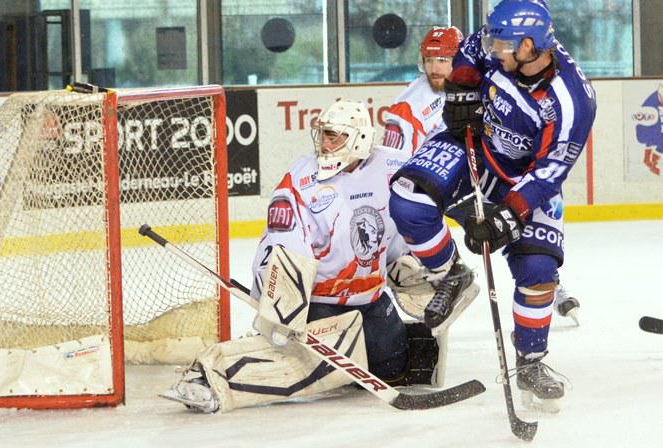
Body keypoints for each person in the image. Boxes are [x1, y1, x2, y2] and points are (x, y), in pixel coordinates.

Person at [162, 100, 450, 413]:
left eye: (334, 136)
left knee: (392, 364)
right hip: (319, 303)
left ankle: (350, 360)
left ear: (359, 139)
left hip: (370, 299)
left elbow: (399, 234)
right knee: (304, 368)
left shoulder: (392, 168)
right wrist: (284, 312)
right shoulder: (301, 181)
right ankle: (209, 377)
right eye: (324, 134)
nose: (325, 143)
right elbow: (282, 254)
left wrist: (414, 268)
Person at [388, 0, 596, 410]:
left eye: (502, 45)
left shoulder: (572, 102)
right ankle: (450, 274)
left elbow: (549, 173)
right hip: (475, 146)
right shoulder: (502, 46)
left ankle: (531, 362)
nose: (493, 50)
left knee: (538, 271)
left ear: (528, 47)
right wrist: (462, 86)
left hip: (525, 179)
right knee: (408, 199)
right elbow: (469, 49)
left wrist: (508, 216)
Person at [384, 24, 581, 326]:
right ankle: (449, 275)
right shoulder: (407, 106)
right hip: (452, 182)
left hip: (494, 170)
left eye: (444, 60)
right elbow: (393, 164)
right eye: (430, 60)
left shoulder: (490, 79)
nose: (436, 68)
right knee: (463, 222)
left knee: (524, 228)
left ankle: (547, 281)